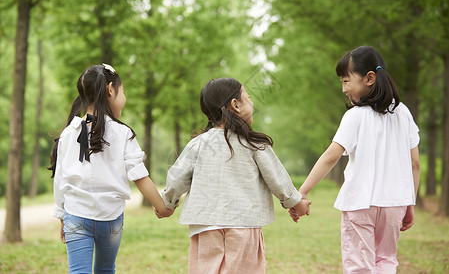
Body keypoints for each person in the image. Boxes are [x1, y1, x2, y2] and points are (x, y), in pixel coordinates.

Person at [158, 77, 311, 273]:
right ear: (235, 104)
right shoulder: (254, 144)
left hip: (205, 225)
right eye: (248, 97)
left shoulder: (199, 143)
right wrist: (297, 204)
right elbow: (278, 180)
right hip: (243, 224)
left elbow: (177, 178)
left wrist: (168, 204)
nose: (252, 101)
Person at [290, 46, 420, 273]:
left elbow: (331, 157)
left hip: (361, 202)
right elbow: (414, 164)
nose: (343, 89)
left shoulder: (355, 116)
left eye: (345, 80)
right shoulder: (404, 113)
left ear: (369, 78)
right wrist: (410, 202)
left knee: (359, 265)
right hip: (395, 204)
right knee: (386, 261)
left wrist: (303, 191)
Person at [49, 64, 172, 274]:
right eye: (123, 92)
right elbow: (139, 175)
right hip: (111, 219)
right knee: (106, 270)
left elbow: (60, 178)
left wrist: (62, 215)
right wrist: (162, 206)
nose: (124, 97)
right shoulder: (123, 133)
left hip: (76, 215)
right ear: (110, 90)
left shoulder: (69, 133)